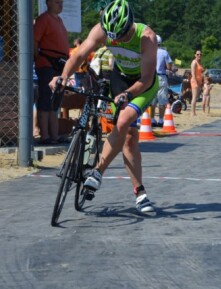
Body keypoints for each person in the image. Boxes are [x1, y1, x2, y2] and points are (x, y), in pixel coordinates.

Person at [49, 0, 159, 214]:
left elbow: (146, 79)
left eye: (122, 36)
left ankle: (98, 172)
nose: (117, 40)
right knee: (128, 137)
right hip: (120, 77)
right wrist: (63, 77)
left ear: (131, 25)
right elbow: (79, 54)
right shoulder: (102, 30)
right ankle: (139, 191)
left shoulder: (147, 38)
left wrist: (128, 94)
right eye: (113, 37)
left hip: (143, 85)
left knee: (125, 121)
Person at [33, 0, 70, 145]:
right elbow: (35, 41)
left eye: (61, 2)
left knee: (55, 102)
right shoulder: (43, 19)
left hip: (59, 64)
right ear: (48, 3)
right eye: (56, 2)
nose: (60, 5)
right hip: (47, 63)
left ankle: (54, 136)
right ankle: (45, 136)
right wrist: (38, 58)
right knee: (46, 100)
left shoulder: (59, 20)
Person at [149, 34, 173, 127]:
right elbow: (168, 66)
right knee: (162, 100)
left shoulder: (149, 51)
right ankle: (161, 119)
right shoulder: (164, 52)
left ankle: (151, 119)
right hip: (161, 77)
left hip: (151, 77)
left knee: (152, 100)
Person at [190, 50, 205, 116]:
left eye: (200, 54)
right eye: (198, 54)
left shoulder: (199, 63)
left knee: (196, 97)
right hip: (194, 81)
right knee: (194, 97)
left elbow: (201, 71)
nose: (199, 55)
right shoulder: (194, 62)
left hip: (199, 81)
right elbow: (193, 73)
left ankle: (194, 112)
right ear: (195, 55)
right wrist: (196, 82)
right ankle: (192, 112)